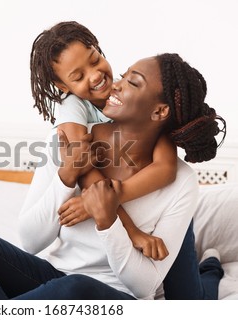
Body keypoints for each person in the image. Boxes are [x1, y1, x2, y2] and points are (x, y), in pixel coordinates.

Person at [0, 53, 225, 299]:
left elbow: (143, 286)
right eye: (124, 74)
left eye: (133, 82)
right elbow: (30, 242)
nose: (116, 84)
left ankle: (209, 268)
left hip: (114, 295)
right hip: (51, 277)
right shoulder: (68, 141)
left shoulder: (180, 180)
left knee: (74, 288)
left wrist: (109, 222)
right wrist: (65, 178)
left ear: (159, 112)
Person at [24, 21, 225, 299]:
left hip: (161, 209)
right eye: (78, 76)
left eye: (95, 60)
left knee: (190, 300)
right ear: (63, 86)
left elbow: (166, 169)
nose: (96, 77)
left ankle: (211, 268)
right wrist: (128, 226)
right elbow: (83, 166)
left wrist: (102, 199)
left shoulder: (141, 106)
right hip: (123, 227)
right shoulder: (73, 111)